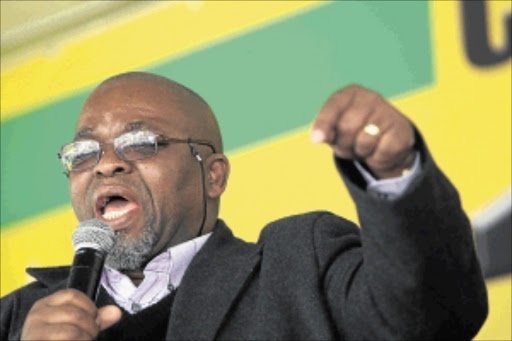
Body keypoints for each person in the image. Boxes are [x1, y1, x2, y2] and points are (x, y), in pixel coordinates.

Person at [1, 72, 487, 340]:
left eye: (141, 142)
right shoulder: (17, 318)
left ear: (213, 175)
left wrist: (397, 175)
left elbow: (431, 319)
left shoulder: (300, 265)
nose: (106, 165)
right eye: (84, 153)